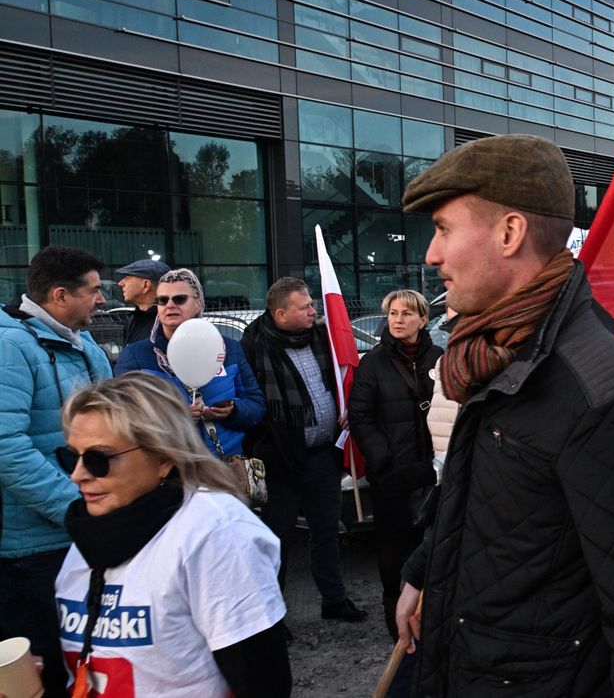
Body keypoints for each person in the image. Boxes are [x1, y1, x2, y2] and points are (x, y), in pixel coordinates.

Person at [394, 134, 614, 695]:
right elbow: (483, 500)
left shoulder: (604, 386)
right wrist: (424, 571)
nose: (432, 255)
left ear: (509, 233)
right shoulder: (491, 349)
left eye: (443, 229)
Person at [54, 373, 289, 696]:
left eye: (98, 460)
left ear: (163, 457)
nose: (77, 475)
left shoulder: (214, 531)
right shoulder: (93, 526)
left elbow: (262, 680)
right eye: (71, 456)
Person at [0, 245, 112, 698]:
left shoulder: (85, 347)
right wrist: (75, 504)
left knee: (83, 666)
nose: (103, 299)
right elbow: (6, 448)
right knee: (42, 677)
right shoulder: (10, 347)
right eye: (95, 290)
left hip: (80, 537)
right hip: (30, 554)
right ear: (61, 295)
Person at [240, 277, 366, 623]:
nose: (314, 311)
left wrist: (346, 405)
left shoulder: (322, 338)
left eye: (312, 304)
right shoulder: (253, 346)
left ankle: (334, 600)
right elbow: (251, 402)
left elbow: (340, 380)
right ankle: (273, 615)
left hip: (323, 455)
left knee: (327, 530)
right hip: (279, 460)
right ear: (281, 314)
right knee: (276, 539)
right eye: (305, 307)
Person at [347, 289, 443, 641]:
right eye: (392, 313)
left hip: (433, 472)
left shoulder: (439, 357)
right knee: (392, 557)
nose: (398, 319)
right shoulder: (373, 362)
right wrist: (381, 459)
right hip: (392, 477)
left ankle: (433, 624)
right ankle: (398, 632)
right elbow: (360, 415)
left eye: (406, 313)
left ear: (423, 319)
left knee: (432, 549)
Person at [114, 268, 266, 464]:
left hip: (225, 468)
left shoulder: (229, 349)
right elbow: (121, 416)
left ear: (198, 303)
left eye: (179, 299)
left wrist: (233, 410)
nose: (169, 305)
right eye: (162, 300)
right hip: (168, 472)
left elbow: (256, 404)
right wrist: (173, 417)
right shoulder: (135, 356)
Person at [112, 258, 170, 346]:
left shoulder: (169, 322)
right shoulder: (133, 321)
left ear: (146, 285)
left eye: (127, 277)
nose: (120, 283)